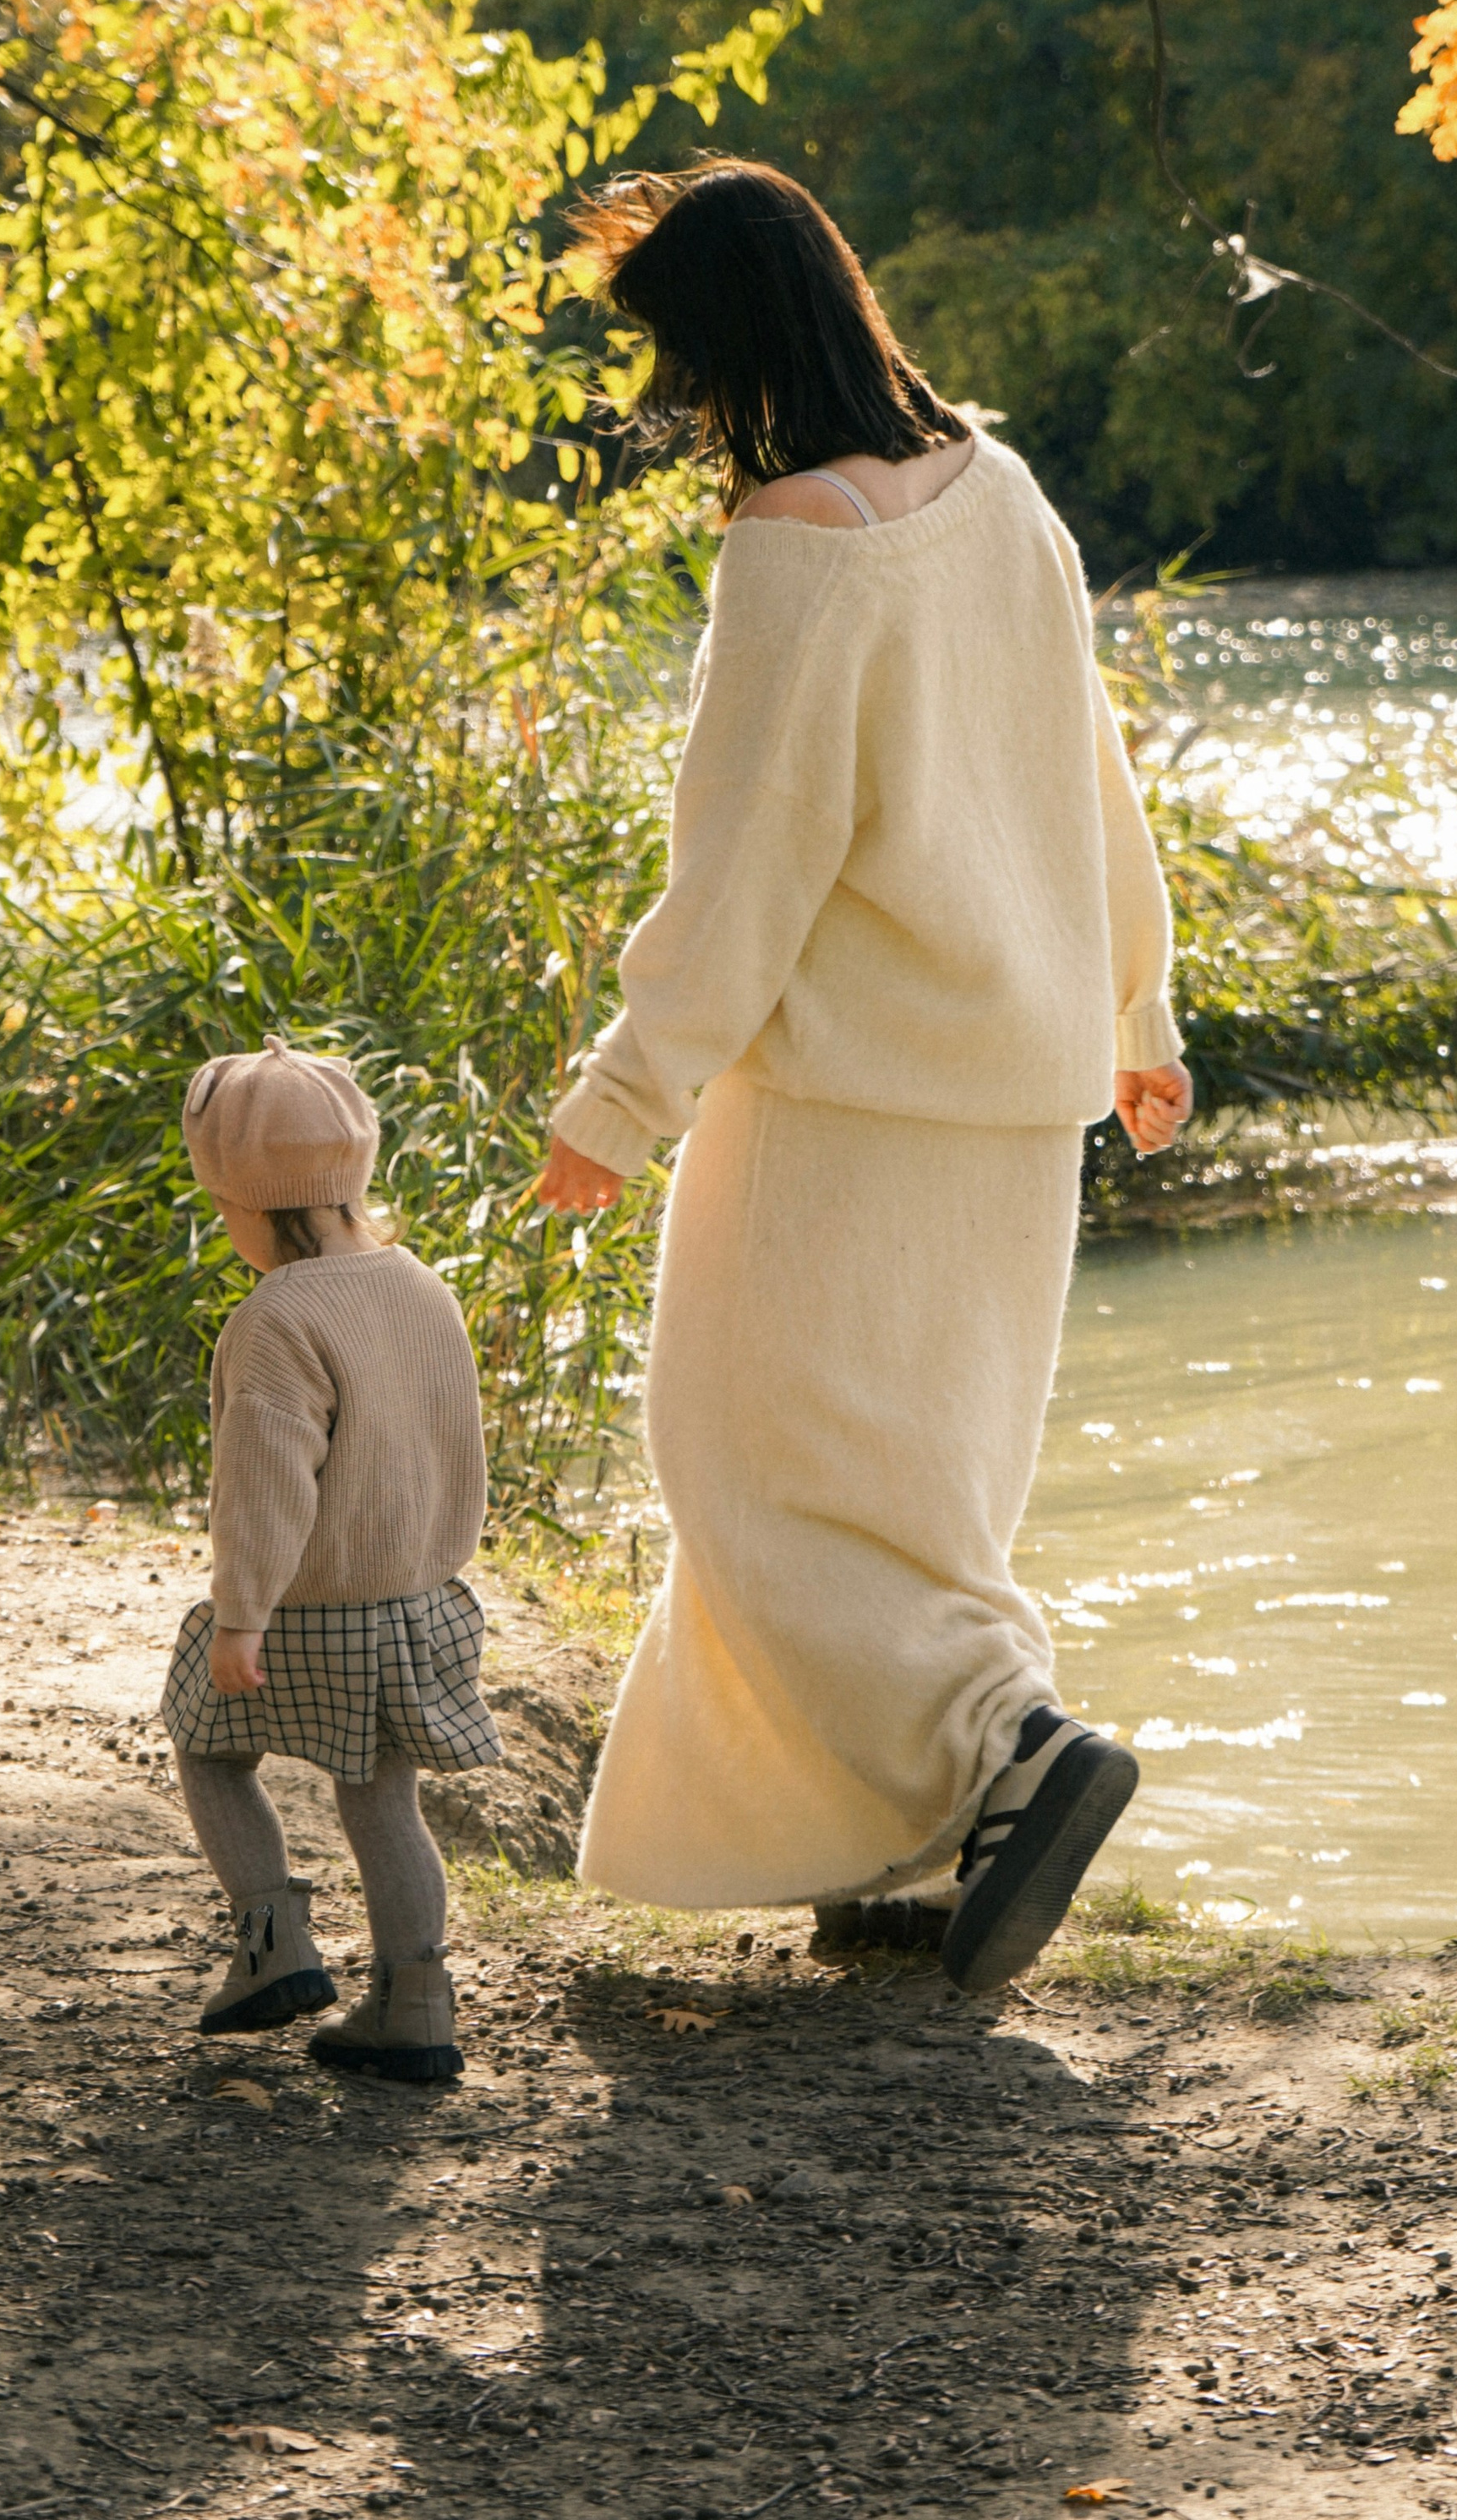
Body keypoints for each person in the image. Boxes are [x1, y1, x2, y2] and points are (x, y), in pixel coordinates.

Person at [538, 161, 1192, 1996]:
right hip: (1013, 1091)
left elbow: (748, 860)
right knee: (919, 1485)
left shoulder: (799, 540)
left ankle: (1007, 1749)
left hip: (839, 1103)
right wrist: (1138, 1013)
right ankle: (904, 1848)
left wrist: (618, 1099)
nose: (669, 396)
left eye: (672, 352)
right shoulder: (1000, 489)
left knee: (738, 1463)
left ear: (732, 342)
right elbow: (1090, 776)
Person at [159, 1038, 499, 2081]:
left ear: (250, 1205)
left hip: (309, 1608)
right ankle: (415, 2002)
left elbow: (267, 1483)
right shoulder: (425, 1289)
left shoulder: (277, 1318)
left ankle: (274, 1946)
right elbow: (450, 1442)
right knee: (382, 1800)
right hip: (421, 1602)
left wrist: (242, 1613)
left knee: (205, 1743)